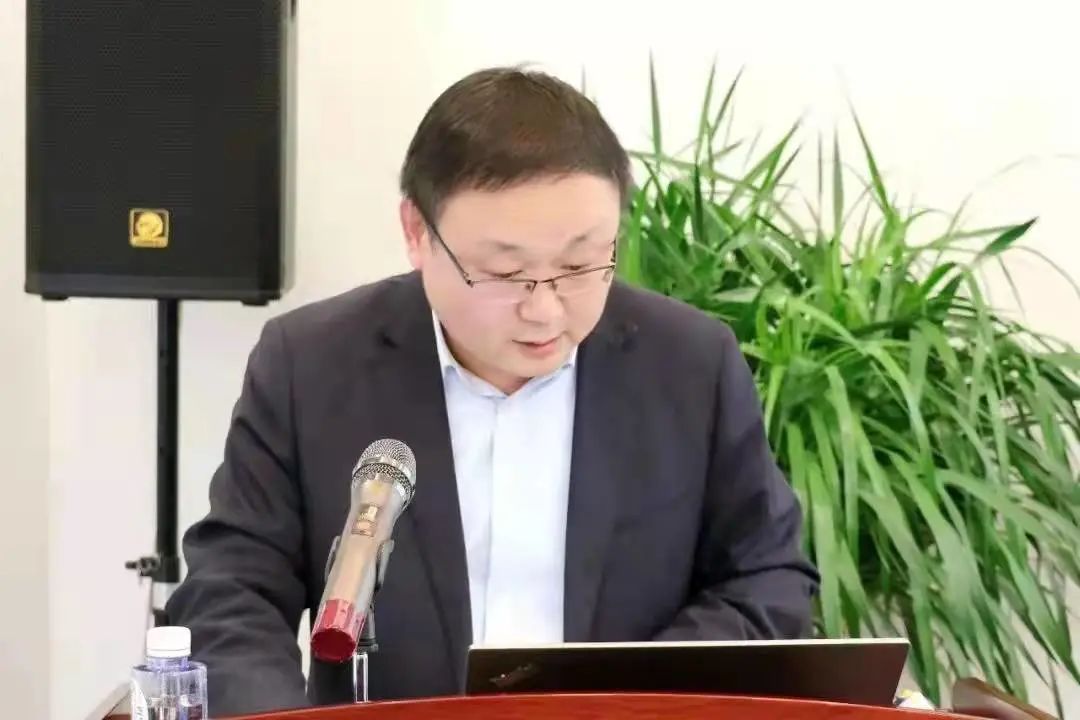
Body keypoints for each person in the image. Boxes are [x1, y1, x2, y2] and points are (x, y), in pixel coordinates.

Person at [166, 66, 819, 716]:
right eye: (506, 272)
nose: (545, 310)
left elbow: (766, 578)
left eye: (580, 264)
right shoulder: (310, 365)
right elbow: (232, 594)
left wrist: (631, 702)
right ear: (418, 233)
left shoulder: (689, 364)